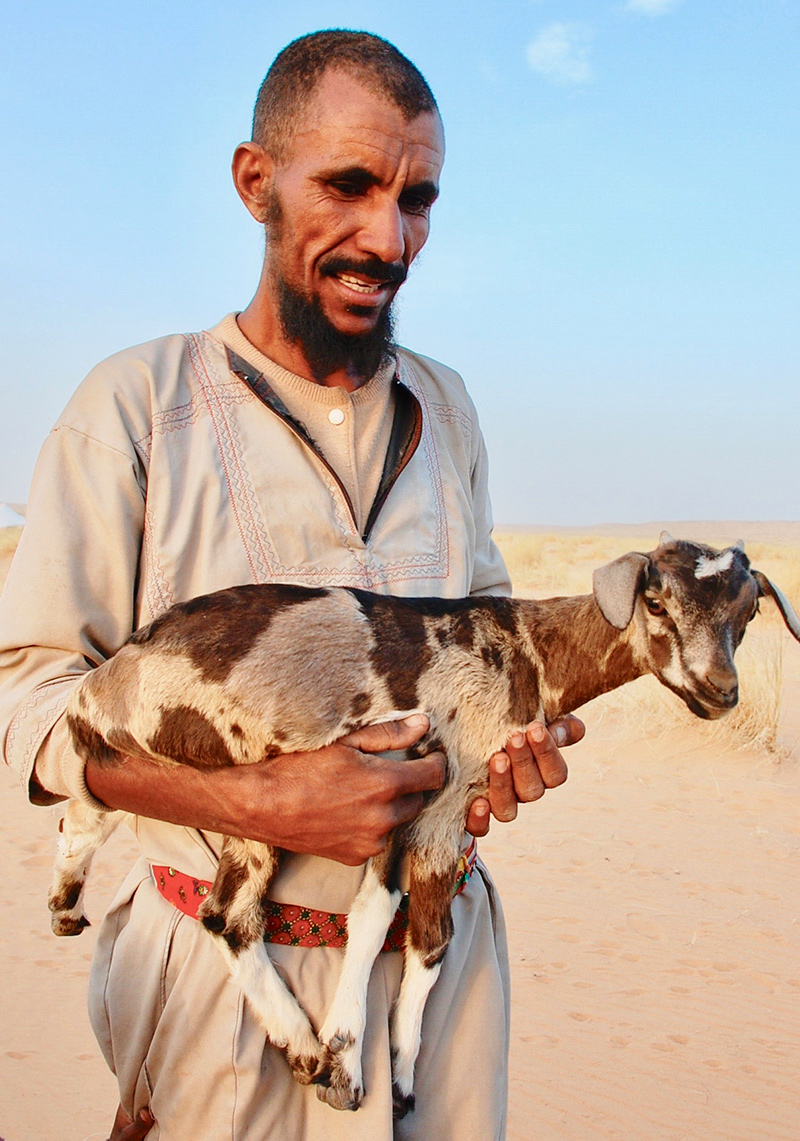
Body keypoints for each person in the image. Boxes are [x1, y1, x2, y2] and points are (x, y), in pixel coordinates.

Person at [0, 30, 583, 1141]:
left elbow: (490, 644)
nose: (388, 236)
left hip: (435, 970)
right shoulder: (133, 408)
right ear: (255, 181)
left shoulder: (448, 412)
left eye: (417, 198)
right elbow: (22, 702)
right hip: (219, 979)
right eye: (350, 185)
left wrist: (500, 758)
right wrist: (250, 803)